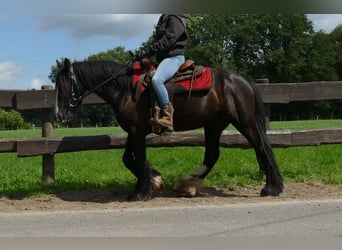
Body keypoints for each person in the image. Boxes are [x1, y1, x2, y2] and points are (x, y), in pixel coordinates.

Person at [137, 14, 188, 132]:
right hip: (163, 59)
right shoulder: (163, 20)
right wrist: (144, 53)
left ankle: (167, 117)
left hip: (174, 58)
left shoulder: (174, 18)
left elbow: (169, 40)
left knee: (157, 80)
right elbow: (157, 41)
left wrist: (147, 51)